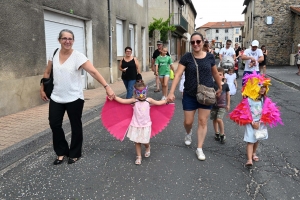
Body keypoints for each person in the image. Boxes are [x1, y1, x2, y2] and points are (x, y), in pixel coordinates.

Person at [40, 29, 115, 165]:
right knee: (54, 124)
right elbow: (47, 72)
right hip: (56, 97)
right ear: (59, 40)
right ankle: (61, 151)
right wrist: (42, 89)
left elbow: (93, 71)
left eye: (70, 39)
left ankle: (74, 153)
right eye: (64, 38)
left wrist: (107, 87)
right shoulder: (54, 53)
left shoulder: (78, 56)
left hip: (74, 97)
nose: (67, 41)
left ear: (73, 41)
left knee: (75, 125)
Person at [167, 32, 222, 161]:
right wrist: (171, 92)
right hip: (190, 94)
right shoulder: (186, 57)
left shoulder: (209, 57)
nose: (196, 44)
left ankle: (199, 148)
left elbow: (215, 73)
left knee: (202, 122)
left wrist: (220, 87)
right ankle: (188, 133)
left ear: (203, 42)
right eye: (193, 42)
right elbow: (179, 74)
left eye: (198, 41)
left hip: (206, 94)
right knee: (188, 122)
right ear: (191, 44)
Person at [229, 72, 282, 167]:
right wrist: (251, 122)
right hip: (251, 123)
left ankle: (254, 153)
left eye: (264, 87)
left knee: (257, 139)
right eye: (260, 86)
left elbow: (268, 112)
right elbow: (242, 112)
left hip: (260, 123)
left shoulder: (264, 100)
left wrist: (261, 122)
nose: (262, 89)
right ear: (253, 87)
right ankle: (249, 159)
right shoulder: (248, 100)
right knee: (250, 141)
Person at [113, 81, 168, 165]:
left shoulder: (148, 100)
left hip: (145, 125)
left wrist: (167, 100)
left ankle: (147, 146)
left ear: (146, 92)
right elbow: (122, 101)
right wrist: (114, 97)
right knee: (137, 141)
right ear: (135, 93)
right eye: (139, 93)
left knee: (145, 141)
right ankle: (138, 156)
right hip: (135, 124)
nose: (141, 95)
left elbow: (159, 103)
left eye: (143, 92)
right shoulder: (134, 101)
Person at [210, 67, 230, 144]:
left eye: (220, 75)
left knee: (219, 119)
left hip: (222, 105)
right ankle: (217, 133)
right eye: (217, 75)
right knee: (214, 120)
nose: (219, 76)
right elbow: (210, 94)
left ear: (223, 76)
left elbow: (228, 95)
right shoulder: (212, 84)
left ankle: (222, 133)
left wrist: (228, 104)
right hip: (214, 105)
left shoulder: (225, 85)